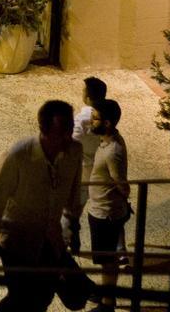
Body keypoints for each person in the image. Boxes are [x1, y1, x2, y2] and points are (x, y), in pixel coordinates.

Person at [0, 100, 84, 312]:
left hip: (51, 240)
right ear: (44, 129)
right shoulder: (18, 155)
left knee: (42, 297)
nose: (68, 136)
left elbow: (74, 193)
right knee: (23, 297)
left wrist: (73, 228)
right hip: (17, 242)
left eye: (70, 129)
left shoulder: (74, 152)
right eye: (62, 131)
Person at [86, 99, 129, 312]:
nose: (91, 121)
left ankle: (108, 303)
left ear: (108, 123)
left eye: (95, 119)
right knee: (105, 260)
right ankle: (104, 293)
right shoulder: (107, 141)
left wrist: (119, 200)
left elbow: (122, 185)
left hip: (106, 213)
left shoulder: (113, 151)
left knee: (108, 261)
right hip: (100, 209)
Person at [66, 76, 106, 252]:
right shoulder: (106, 115)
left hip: (81, 169)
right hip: (97, 168)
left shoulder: (82, 118)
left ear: (88, 97)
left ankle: (67, 240)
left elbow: (72, 142)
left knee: (71, 209)